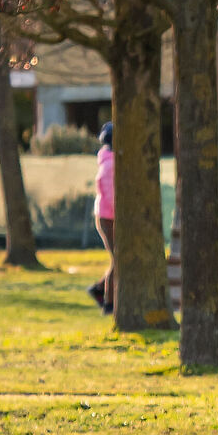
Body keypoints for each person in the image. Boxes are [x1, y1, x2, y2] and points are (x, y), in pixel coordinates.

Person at [91, 121, 117, 311]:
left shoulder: (110, 161)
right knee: (119, 259)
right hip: (108, 217)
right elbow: (110, 194)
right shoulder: (110, 164)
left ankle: (99, 289)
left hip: (110, 216)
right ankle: (108, 302)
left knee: (119, 258)